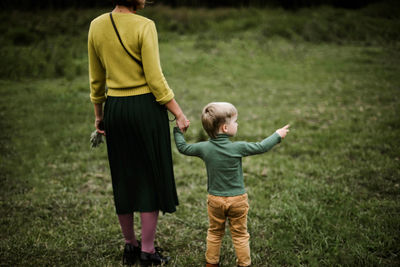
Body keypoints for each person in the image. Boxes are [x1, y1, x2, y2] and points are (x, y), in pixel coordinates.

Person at [88, 0, 190, 266]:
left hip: (115, 109)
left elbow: (96, 79)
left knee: (123, 175)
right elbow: (155, 79)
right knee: (149, 176)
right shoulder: (146, 25)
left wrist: (100, 116)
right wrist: (178, 112)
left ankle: (130, 246)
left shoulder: (96, 26)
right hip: (145, 108)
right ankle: (147, 251)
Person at [173, 102, 289, 267]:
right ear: (225, 128)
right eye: (235, 121)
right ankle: (244, 263)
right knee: (240, 235)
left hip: (215, 200)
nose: (237, 124)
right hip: (237, 200)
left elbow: (183, 148)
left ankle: (211, 263)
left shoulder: (204, 148)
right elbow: (261, 146)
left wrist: (178, 131)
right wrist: (277, 135)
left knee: (214, 233)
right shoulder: (238, 147)